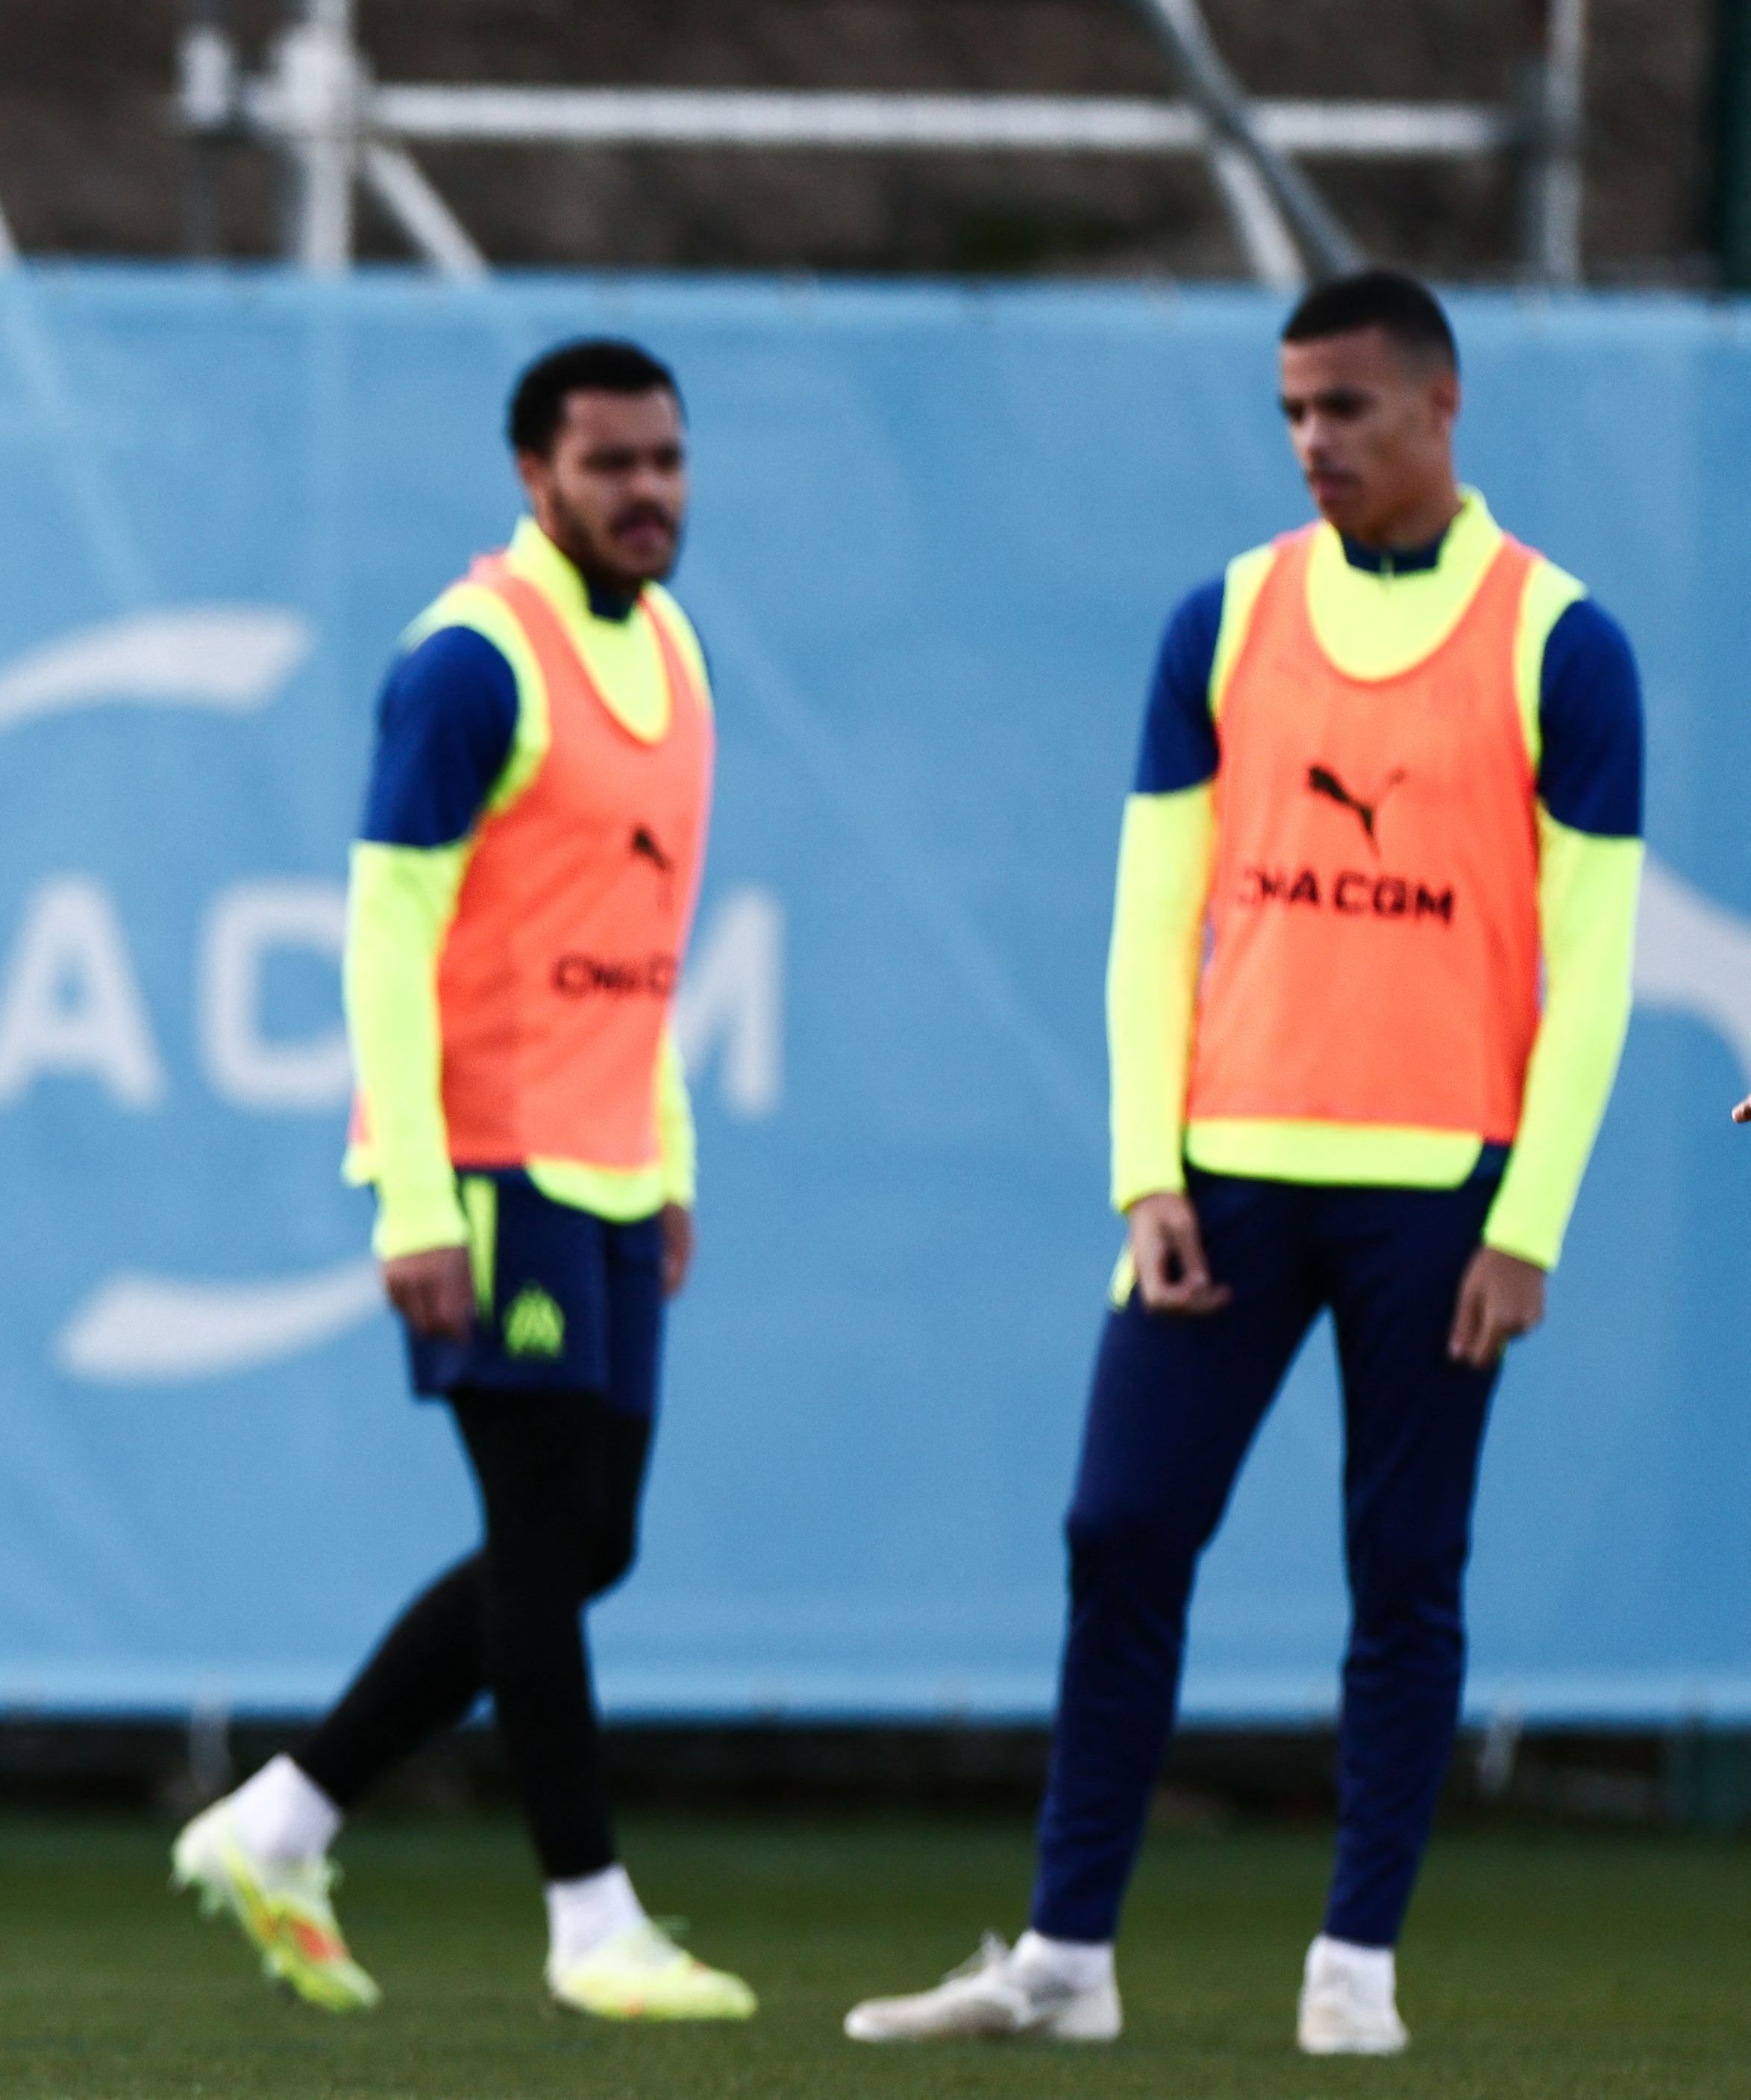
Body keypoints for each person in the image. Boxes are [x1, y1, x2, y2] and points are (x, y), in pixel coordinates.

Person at [845, 270, 1641, 2058]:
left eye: (1345, 410)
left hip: (1442, 1194)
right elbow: (1151, 919)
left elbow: (1592, 970)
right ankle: (1065, 1962)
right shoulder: (1220, 620)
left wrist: (1530, 1225)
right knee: (1120, 1529)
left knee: (1403, 1571)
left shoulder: (1558, 643)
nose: (1312, 444)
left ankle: (1353, 1973)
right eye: (1291, 412)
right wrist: (1149, 1169)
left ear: (1442, 407)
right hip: (1226, 1181)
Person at [169, 339, 756, 2025]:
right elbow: (387, 933)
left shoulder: (673, 650)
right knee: (537, 1534)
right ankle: (593, 1922)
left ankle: (279, 1820)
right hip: (488, 1166)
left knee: (587, 1544)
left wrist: (671, 1157)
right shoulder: (470, 662)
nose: (647, 492)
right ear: (534, 476)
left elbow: (641, 943)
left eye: (667, 459)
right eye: (609, 465)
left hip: (614, 1170)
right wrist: (415, 1197)